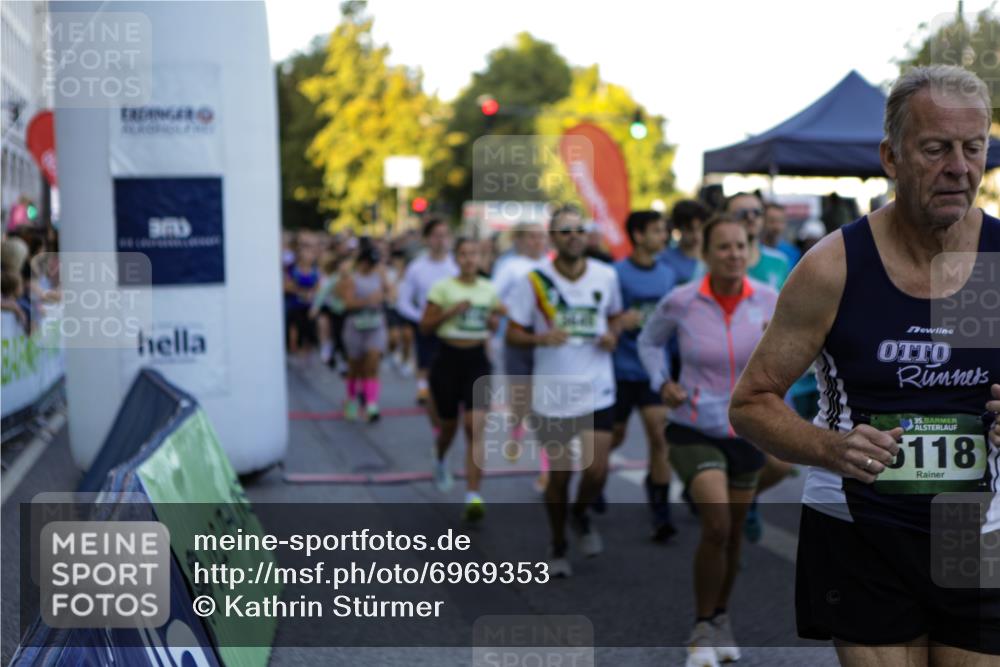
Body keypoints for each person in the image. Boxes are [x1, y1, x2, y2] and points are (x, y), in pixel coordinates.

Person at [729, 65, 1000, 666]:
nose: (959, 167)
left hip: (977, 528)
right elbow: (751, 402)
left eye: (973, 147)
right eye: (936, 149)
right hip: (862, 521)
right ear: (892, 156)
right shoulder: (835, 266)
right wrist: (830, 448)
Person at [639, 213, 778, 667]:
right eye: (724, 247)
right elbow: (649, 342)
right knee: (717, 523)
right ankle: (701, 627)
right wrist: (662, 381)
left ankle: (721, 617)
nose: (734, 254)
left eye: (742, 246)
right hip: (692, 425)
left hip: (747, 429)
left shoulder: (769, 300)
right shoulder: (681, 301)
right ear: (706, 253)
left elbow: (802, 349)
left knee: (734, 534)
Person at [506, 211, 625, 577]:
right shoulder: (534, 281)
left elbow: (616, 316)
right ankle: (557, 542)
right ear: (552, 238)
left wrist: (612, 335)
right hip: (553, 393)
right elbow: (512, 333)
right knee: (559, 476)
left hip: (597, 388)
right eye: (565, 231)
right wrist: (540, 337)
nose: (574, 236)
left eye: (579, 230)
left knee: (597, 471)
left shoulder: (606, 275)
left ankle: (580, 514)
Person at [420, 237, 505, 522]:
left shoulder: (489, 289)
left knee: (474, 427)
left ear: (481, 258)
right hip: (447, 360)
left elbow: (494, 319)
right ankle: (440, 457)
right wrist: (450, 312)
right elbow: (425, 326)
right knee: (448, 427)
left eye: (475, 254)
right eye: (464, 254)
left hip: (477, 361)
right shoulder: (443, 288)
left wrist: (493, 322)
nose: (469, 259)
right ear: (456, 258)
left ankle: (473, 495)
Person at [607, 210, 677, 541]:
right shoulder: (615, 274)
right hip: (618, 370)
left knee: (660, 436)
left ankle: (660, 512)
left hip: (652, 371)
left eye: (664, 230)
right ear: (637, 235)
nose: (663, 236)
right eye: (657, 231)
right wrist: (618, 322)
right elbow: (603, 318)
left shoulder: (666, 276)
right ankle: (594, 482)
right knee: (614, 437)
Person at [491, 220, 549, 480]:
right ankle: (516, 428)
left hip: (544, 343)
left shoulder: (551, 265)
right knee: (521, 400)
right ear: (520, 240)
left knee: (545, 405)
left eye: (540, 236)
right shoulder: (510, 266)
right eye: (531, 237)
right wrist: (513, 312)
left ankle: (546, 470)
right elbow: (492, 297)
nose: (537, 241)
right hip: (516, 341)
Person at [395, 218, 458, 409]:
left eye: (445, 235)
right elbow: (403, 300)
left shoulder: (456, 265)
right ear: (427, 239)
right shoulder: (417, 267)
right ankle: (424, 390)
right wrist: (419, 318)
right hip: (427, 325)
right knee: (426, 363)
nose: (441, 240)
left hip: (453, 325)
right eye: (436, 236)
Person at [336, 240, 389, 422]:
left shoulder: (380, 275)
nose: (371, 267)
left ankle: (371, 404)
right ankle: (351, 400)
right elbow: (347, 303)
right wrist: (368, 300)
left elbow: (391, 293)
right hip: (355, 326)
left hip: (375, 325)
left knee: (372, 363)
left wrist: (386, 295)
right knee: (355, 368)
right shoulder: (351, 278)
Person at [284, 232, 321, 358]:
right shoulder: (292, 269)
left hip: (309, 305)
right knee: (295, 323)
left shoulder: (315, 269)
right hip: (295, 305)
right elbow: (286, 285)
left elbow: (319, 287)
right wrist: (302, 292)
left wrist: (310, 294)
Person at [660, 199, 710, 285]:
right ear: (677, 228)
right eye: (689, 229)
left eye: (700, 228)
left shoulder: (713, 257)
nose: (696, 235)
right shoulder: (663, 260)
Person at [761, 202, 801, 268]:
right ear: (762, 222)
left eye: (781, 221)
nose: (777, 227)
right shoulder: (753, 251)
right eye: (772, 221)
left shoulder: (793, 253)